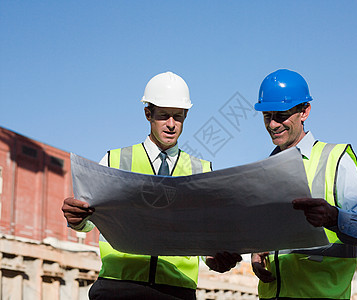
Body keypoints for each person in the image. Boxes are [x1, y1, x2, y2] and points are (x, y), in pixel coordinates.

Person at [62, 71, 241, 300]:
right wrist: (77, 219)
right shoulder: (114, 161)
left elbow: (208, 237)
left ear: (186, 115)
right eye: (164, 116)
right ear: (148, 114)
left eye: (178, 117)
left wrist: (215, 259)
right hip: (118, 287)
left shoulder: (202, 170)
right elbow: (89, 223)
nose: (171, 125)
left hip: (176, 290)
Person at [251, 69, 357, 299]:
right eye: (266, 116)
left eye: (280, 115)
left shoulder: (335, 158)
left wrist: (333, 217)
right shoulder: (264, 171)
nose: (272, 125)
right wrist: (259, 252)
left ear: (304, 111)